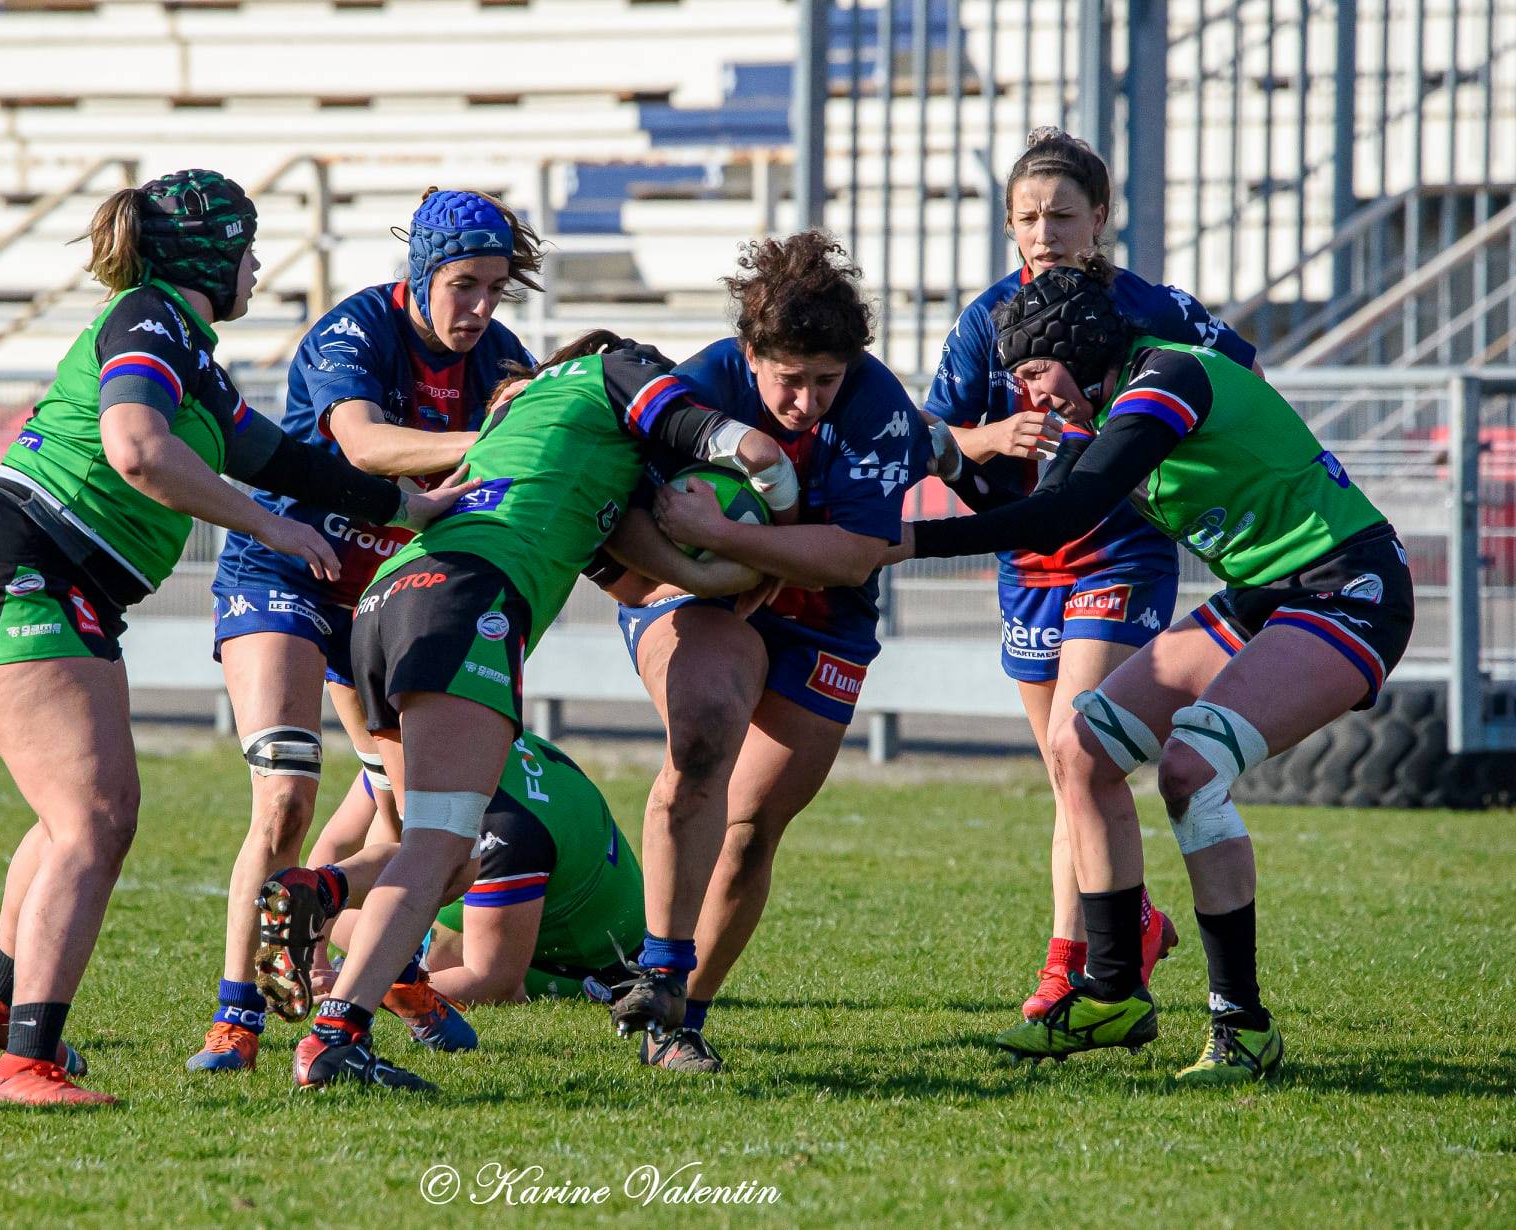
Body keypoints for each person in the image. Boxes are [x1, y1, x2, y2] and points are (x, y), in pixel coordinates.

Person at [0, 169, 471, 1106]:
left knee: (76, 812)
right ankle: (26, 1065)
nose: (258, 263)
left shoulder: (195, 359)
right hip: (20, 568)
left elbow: (284, 457)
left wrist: (402, 504)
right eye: (249, 245)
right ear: (211, 252)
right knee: (95, 817)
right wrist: (271, 528)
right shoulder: (150, 319)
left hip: (61, 582)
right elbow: (135, 446)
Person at [891, 265, 1414, 1084]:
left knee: (1190, 767)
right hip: (1263, 595)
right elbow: (1017, 504)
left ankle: (1243, 1026)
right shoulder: (1103, 409)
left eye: (1032, 374)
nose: (1027, 396)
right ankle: (1111, 992)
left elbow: (1063, 513)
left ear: (1072, 350)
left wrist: (905, 543)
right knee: (1079, 747)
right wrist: (935, 455)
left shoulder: (1164, 377)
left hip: (1348, 587)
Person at [263, 330, 794, 1091]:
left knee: (439, 851)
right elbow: (758, 455)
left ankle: (324, 893)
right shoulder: (613, 377)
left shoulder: (550, 441)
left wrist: (722, 566)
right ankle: (334, 1040)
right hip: (469, 603)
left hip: (388, 598)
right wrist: (774, 528)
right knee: (442, 845)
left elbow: (663, 576)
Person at [191, 189, 538, 1073]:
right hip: (286, 571)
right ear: (421, 276)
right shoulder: (356, 332)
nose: (482, 309)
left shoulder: (499, 355)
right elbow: (363, 446)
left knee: (434, 834)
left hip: (382, 602)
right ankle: (239, 1018)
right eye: (464, 285)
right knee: (287, 799)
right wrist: (491, 436)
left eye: (497, 289)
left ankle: (380, 970)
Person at [924, 128, 1263, 1020]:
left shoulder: (1147, 307)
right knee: (1063, 771)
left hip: (1121, 549)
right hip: (1027, 558)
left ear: (1100, 218)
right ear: (1008, 225)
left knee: (1081, 745)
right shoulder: (985, 318)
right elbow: (930, 438)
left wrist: (1132, 425)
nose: (1045, 233)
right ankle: (1132, 921)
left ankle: (1067, 963)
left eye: (1063, 215)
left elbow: (1239, 371)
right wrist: (989, 441)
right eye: (1027, 218)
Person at [602, 231, 949, 1072]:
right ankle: (661, 983)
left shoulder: (877, 404)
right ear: (750, 354)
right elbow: (626, 520)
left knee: (754, 827)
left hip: (824, 618)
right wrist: (705, 573)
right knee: (703, 742)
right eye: (789, 380)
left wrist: (733, 543)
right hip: (699, 597)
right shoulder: (702, 384)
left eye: (824, 380)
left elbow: (855, 555)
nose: (806, 401)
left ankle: (689, 1012)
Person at [255, 730, 644, 1025]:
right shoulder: (420, 741)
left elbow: (494, 981)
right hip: (523, 866)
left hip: (597, 960)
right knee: (366, 924)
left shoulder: (503, 825)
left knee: (423, 950)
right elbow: (337, 842)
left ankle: (392, 961)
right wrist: (317, 957)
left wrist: (355, 992)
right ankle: (379, 952)